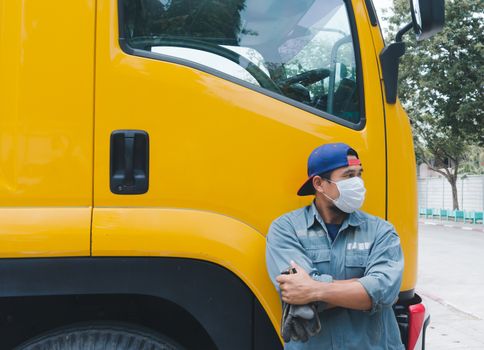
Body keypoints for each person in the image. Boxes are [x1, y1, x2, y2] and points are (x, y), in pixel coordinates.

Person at [265, 143, 405, 349]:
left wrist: (314, 290)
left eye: (359, 174)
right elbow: (295, 293)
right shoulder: (286, 229)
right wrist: (363, 287)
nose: (358, 183)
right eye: (349, 176)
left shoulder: (381, 230)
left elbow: (385, 291)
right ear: (319, 184)